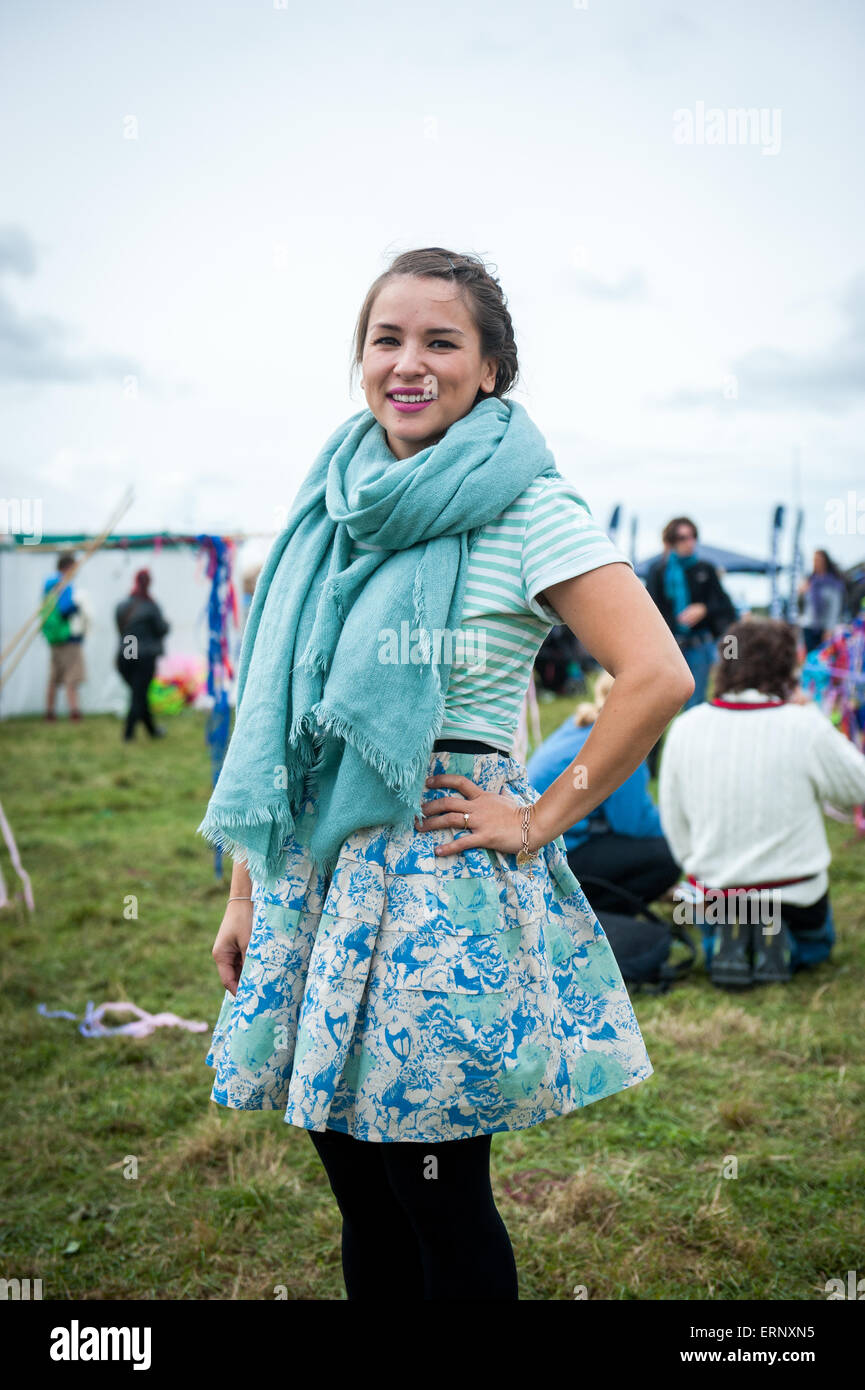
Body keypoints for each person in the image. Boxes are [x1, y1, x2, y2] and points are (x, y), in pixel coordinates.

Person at [200, 247, 694, 1302]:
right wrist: (247, 887)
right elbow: (281, 715)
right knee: (357, 1193)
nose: (408, 363)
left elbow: (656, 675)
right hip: (312, 874)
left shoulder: (526, 506)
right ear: (362, 357)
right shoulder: (333, 502)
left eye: (440, 340)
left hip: (436, 874)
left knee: (435, 1195)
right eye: (387, 338)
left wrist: (535, 818)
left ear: (490, 368)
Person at [658, 616, 865, 987]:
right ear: (788, 669)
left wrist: (698, 868)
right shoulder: (804, 725)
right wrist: (813, 715)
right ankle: (780, 938)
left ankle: (735, 935)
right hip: (795, 894)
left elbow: (674, 820)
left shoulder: (686, 727)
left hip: (718, 894)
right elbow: (858, 786)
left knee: (721, 908)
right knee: (816, 947)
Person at [527, 669, 680, 914]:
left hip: (537, 846)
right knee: (667, 856)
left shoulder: (582, 724)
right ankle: (597, 918)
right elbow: (632, 825)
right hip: (556, 855)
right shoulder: (623, 741)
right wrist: (682, 824)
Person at [645, 516, 738, 708]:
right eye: (683, 537)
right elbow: (650, 609)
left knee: (695, 701)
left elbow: (725, 607)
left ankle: (691, 735)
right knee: (662, 703)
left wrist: (703, 609)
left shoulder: (705, 568)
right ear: (671, 541)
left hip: (699, 644)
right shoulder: (658, 571)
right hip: (669, 646)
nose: (690, 542)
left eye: (692, 536)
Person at [115, 568, 170, 741]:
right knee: (138, 694)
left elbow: (121, 629)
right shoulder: (151, 606)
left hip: (127, 652)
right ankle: (129, 733)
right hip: (144, 655)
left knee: (138, 693)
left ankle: (152, 730)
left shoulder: (123, 605)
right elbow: (161, 629)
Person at [41, 552, 88, 722]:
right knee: (71, 677)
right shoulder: (65, 584)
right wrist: (77, 606)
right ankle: (74, 711)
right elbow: (65, 609)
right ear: (68, 567)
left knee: (53, 677)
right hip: (68, 637)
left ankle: (50, 712)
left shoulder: (48, 584)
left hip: (52, 637)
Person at [798, 549, 847, 653]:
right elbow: (804, 605)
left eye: (818, 560)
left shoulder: (833, 583)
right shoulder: (811, 581)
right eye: (814, 560)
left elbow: (835, 608)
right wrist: (801, 592)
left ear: (825, 561)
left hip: (824, 627)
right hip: (809, 625)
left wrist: (829, 629)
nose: (816, 562)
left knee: (823, 657)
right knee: (810, 657)